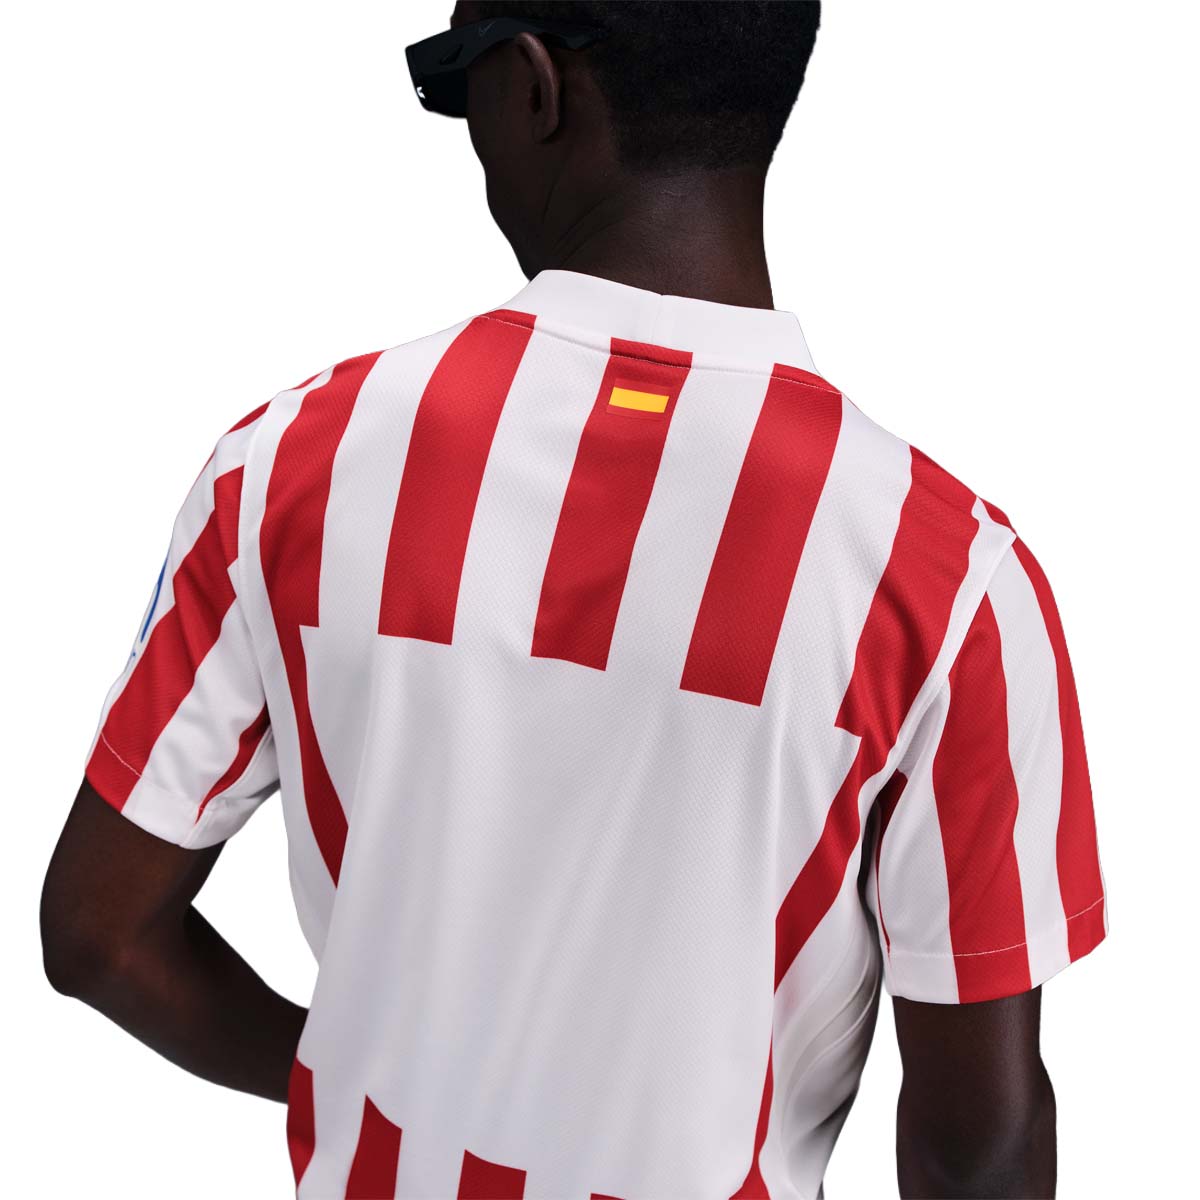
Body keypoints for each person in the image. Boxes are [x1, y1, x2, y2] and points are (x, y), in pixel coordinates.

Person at [40, 3, 1106, 1197]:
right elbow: (979, 1147)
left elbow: (99, 933)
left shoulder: (292, 467)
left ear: (535, 90)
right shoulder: (949, 584)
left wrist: (371, 1082)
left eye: (463, 88)